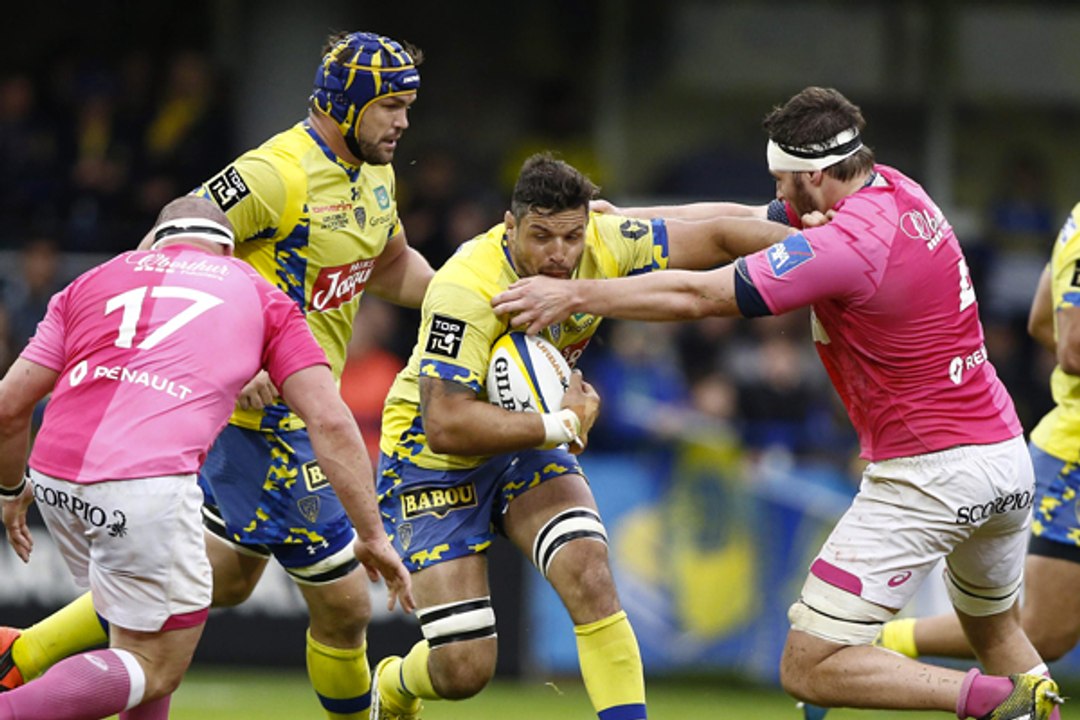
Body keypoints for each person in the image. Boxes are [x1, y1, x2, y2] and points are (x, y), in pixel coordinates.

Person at [491, 87, 1064, 720]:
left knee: (807, 665)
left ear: (814, 175)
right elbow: (734, 220)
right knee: (996, 631)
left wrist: (575, 295)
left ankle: (986, 699)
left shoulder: (846, 245)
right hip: (1003, 456)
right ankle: (1027, 700)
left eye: (782, 181)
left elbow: (698, 296)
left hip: (929, 473)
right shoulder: (898, 190)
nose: (776, 195)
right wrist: (621, 218)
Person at [0, 31, 435, 720]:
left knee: (222, 580)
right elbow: (166, 243)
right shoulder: (274, 173)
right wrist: (229, 359)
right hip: (261, 422)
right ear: (345, 104)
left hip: (286, 413)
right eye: (390, 105)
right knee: (347, 605)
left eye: (407, 106)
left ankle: (21, 655)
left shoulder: (375, 175)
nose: (403, 122)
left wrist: (464, 301)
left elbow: (390, 265)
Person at [365, 151, 793, 720]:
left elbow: (715, 236)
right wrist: (563, 424)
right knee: (464, 668)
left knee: (590, 573)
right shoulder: (465, 287)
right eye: (541, 237)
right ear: (510, 226)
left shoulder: (604, 243)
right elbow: (445, 424)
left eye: (571, 237)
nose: (559, 255)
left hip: (528, 447)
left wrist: (811, 240)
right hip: (433, 460)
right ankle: (396, 684)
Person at [872, 202, 1080, 667]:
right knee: (1044, 633)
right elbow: (1072, 347)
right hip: (1074, 460)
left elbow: (1041, 318)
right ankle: (883, 643)